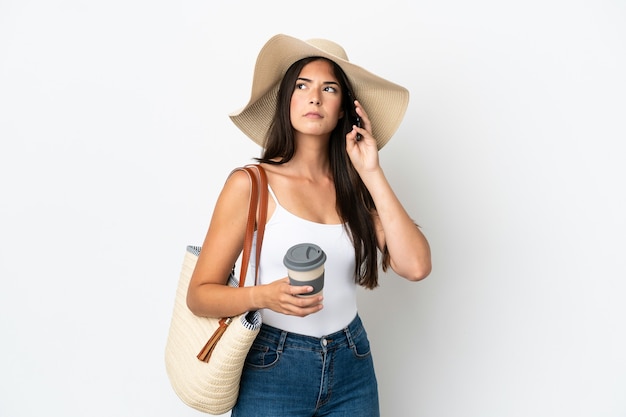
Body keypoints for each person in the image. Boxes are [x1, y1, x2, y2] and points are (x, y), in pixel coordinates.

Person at [187, 34, 431, 417]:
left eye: (328, 88)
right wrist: (263, 296)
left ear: (343, 111)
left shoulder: (354, 189)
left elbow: (416, 266)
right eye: (302, 85)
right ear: (287, 102)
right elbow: (199, 295)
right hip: (271, 365)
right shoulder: (251, 185)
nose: (314, 97)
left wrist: (371, 171)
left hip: (352, 362)